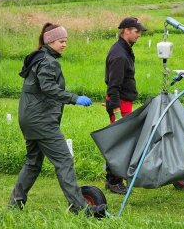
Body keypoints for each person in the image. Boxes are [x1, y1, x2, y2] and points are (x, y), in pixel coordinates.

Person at [9, 23, 106, 217]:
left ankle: (15, 205)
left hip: (29, 119)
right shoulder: (47, 62)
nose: (65, 45)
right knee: (64, 161)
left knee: (33, 163)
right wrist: (74, 98)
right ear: (50, 41)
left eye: (66, 41)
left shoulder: (38, 59)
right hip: (41, 121)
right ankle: (81, 209)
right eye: (62, 41)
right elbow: (48, 88)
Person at [103, 17, 147, 194]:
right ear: (126, 31)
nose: (139, 35)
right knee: (119, 142)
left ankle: (113, 179)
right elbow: (113, 86)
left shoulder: (125, 49)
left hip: (123, 101)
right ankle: (114, 181)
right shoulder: (119, 55)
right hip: (119, 103)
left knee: (122, 140)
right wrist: (116, 111)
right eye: (137, 32)